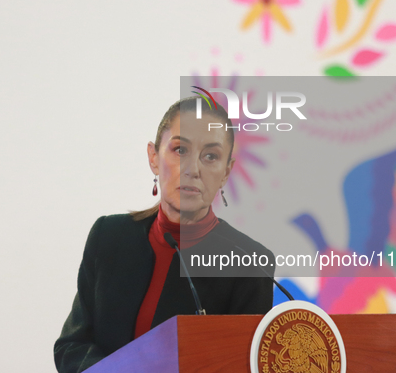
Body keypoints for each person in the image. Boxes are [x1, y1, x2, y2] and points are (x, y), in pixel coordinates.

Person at [53, 97, 275, 373]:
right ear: (154, 158)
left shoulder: (249, 263)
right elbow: (71, 346)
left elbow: (243, 365)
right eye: (180, 149)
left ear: (226, 173)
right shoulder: (108, 236)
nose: (193, 169)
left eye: (210, 156)